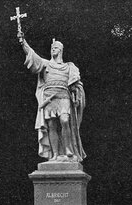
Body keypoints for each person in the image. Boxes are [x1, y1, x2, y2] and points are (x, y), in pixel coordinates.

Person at [18, 32, 86, 162]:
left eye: (55, 48)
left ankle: (68, 149)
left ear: (60, 50)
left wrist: (77, 94)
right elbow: (32, 55)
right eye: (52, 48)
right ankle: (54, 154)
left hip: (63, 96)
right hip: (49, 98)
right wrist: (23, 42)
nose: (52, 50)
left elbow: (76, 85)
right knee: (51, 125)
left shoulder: (68, 67)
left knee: (65, 120)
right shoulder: (46, 64)